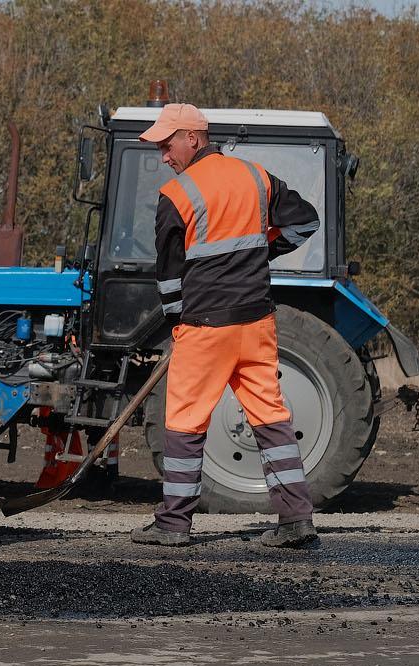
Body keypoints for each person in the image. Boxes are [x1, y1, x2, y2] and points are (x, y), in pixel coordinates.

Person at [130, 104, 321, 548]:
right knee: (271, 417)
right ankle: (295, 519)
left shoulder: (176, 196)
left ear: (192, 139)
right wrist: (263, 252)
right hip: (256, 322)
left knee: (184, 423)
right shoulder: (257, 177)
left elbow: (171, 280)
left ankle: (173, 525)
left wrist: (178, 325)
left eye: (166, 144)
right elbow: (306, 221)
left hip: (205, 326)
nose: (164, 155)